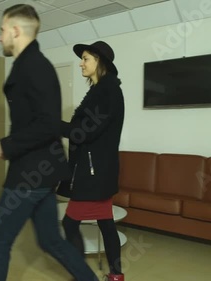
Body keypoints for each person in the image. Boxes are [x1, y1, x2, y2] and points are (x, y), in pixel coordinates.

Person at [0, 4, 98, 281]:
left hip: (29, 174)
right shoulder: (27, 64)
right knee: (50, 241)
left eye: (2, 30)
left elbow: (47, 124)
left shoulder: (35, 66)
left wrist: (1, 147)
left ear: (16, 31)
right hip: (41, 171)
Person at [57, 41, 125, 281]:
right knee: (106, 223)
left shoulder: (107, 91)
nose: (81, 63)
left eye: (86, 58)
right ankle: (116, 275)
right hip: (99, 172)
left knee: (70, 224)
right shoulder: (103, 90)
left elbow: (84, 132)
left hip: (93, 175)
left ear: (100, 62)